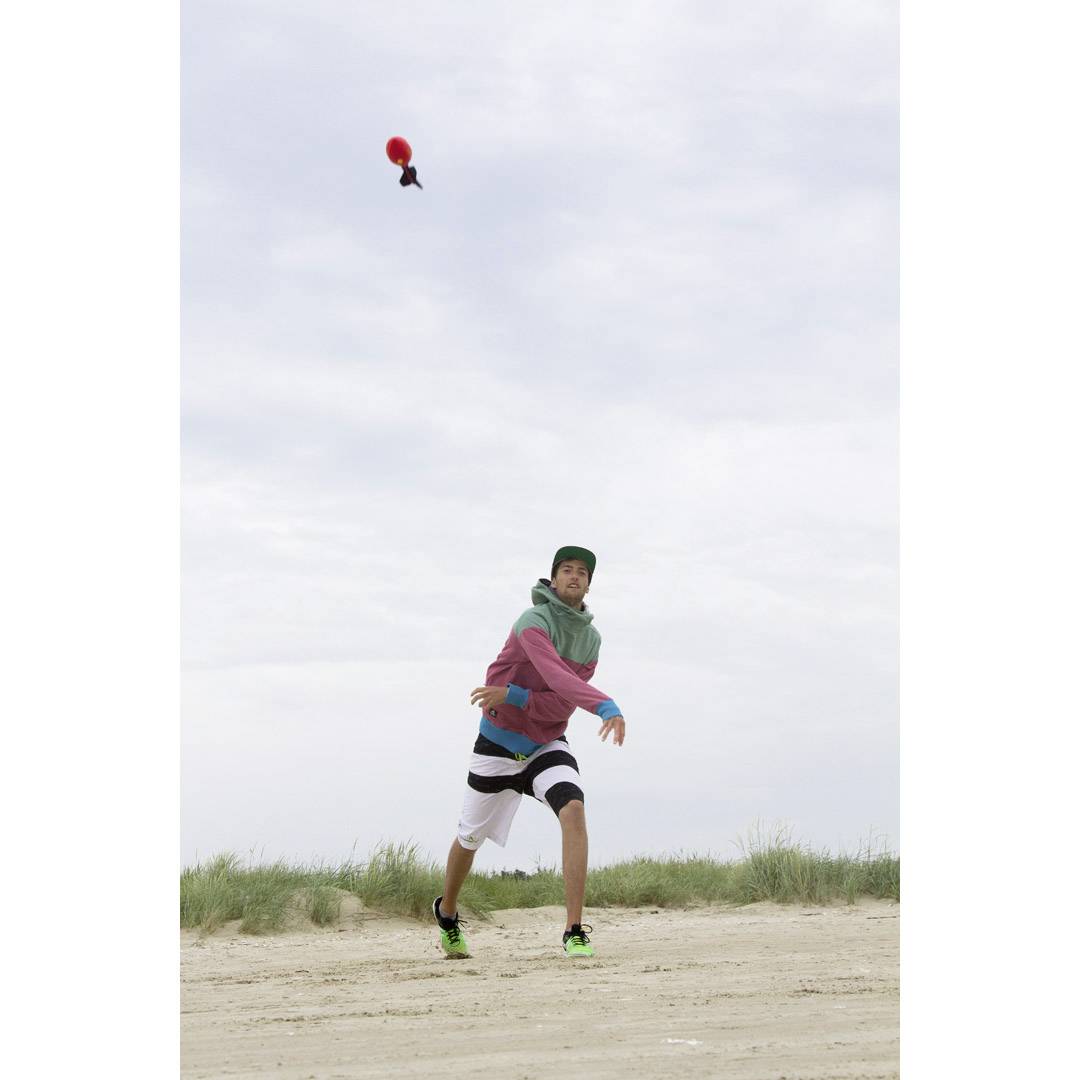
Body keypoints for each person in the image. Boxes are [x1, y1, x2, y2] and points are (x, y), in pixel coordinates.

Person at [432, 545, 625, 960]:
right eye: (566, 569)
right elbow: (554, 675)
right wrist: (604, 705)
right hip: (498, 743)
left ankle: (574, 930)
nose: (574, 576)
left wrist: (516, 695)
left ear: (589, 585)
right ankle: (447, 913)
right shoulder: (532, 621)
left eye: (582, 572)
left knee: (573, 810)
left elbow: (563, 701)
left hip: (545, 744)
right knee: (470, 837)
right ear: (553, 580)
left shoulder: (590, 641)